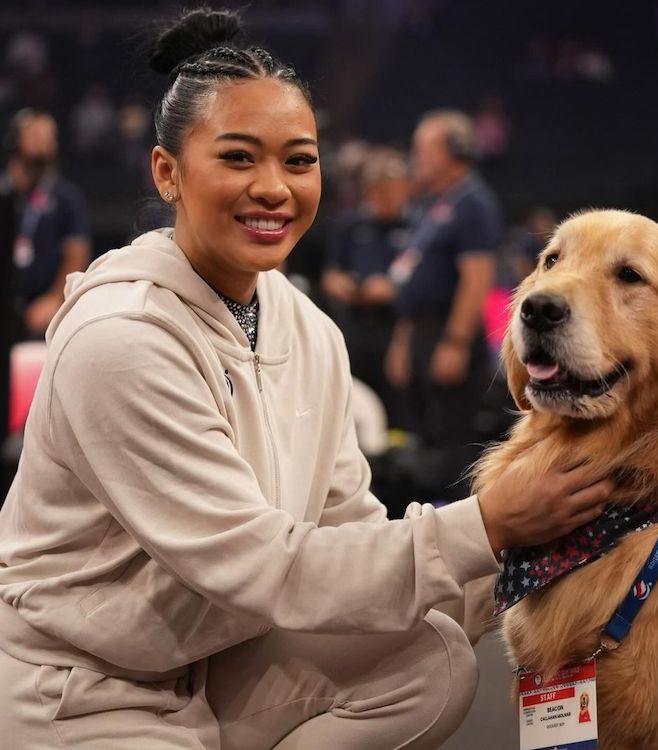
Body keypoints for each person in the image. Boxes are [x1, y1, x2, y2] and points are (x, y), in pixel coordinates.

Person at [0, 9, 614, 750]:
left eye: (298, 160)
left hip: (212, 666)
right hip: (78, 689)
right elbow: (263, 567)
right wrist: (486, 525)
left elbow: (345, 533)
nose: (274, 188)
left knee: (431, 659)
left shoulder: (307, 327)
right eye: (237, 158)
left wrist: (526, 558)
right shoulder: (119, 341)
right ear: (167, 172)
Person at [385, 108, 502, 501]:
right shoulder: (428, 204)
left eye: (424, 147)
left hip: (449, 330)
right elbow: (410, 275)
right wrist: (404, 340)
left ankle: (457, 528)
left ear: (454, 150)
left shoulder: (474, 203)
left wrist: (454, 341)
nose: (415, 156)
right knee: (423, 432)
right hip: (419, 329)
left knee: (452, 438)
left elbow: (476, 278)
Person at [322, 145, 411, 427]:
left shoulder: (415, 226)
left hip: (395, 328)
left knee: (397, 408)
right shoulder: (351, 225)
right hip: (355, 326)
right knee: (351, 401)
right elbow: (330, 275)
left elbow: (421, 282)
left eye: (392, 189)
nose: (386, 197)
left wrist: (390, 288)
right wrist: (348, 286)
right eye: (380, 190)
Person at [1, 108, 90, 342]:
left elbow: (76, 252)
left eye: (50, 137)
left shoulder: (65, 196)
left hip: (43, 308)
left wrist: (54, 298)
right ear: (15, 141)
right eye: (36, 135)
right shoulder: (4, 193)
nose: (45, 143)